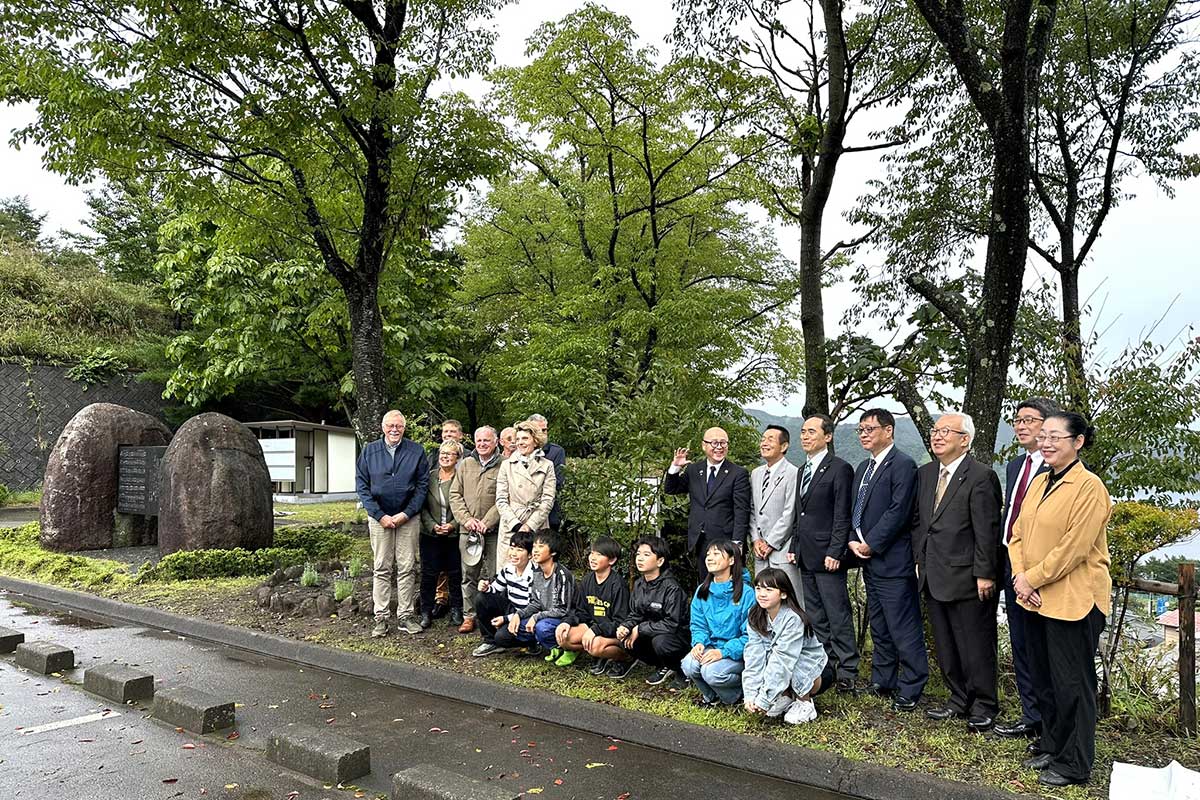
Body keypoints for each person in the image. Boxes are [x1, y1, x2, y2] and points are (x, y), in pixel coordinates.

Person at [1010, 412, 1112, 788]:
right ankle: (1052, 745)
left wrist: (1030, 578)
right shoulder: (1039, 482)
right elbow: (1017, 534)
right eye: (1043, 436)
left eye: (1055, 436)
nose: (1046, 442)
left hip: (1074, 599)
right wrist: (1022, 578)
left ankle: (1075, 762)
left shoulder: (1089, 487)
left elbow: (1074, 549)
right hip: (1034, 597)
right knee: (1045, 680)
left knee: (1073, 683)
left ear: (1078, 442)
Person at [911, 412, 1002, 732]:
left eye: (946, 431)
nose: (937, 436)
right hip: (932, 573)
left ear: (965, 439)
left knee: (975, 643)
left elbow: (987, 530)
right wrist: (918, 558)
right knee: (946, 642)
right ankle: (958, 697)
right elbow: (920, 523)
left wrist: (985, 573)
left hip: (968, 576)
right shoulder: (925, 474)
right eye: (935, 430)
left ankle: (985, 704)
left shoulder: (981, 476)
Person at [846, 408, 927, 711]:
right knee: (879, 624)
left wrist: (871, 543)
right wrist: (853, 540)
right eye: (861, 429)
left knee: (903, 625)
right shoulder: (864, 468)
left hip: (892, 560)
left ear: (888, 430)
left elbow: (899, 511)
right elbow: (856, 509)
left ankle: (912, 685)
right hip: (868, 560)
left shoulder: (902, 464)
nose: (864, 434)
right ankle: (883, 680)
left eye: (870, 428)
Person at [994, 398, 1058, 740]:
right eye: (1017, 420)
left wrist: (1030, 573)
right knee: (1020, 642)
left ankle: (1050, 721)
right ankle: (1030, 715)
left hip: (1040, 571)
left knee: (1042, 646)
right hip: (1010, 561)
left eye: (1029, 420)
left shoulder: (1056, 469)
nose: (1020, 426)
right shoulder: (1016, 465)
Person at [788, 413, 859, 691]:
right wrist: (795, 546)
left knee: (837, 612)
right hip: (806, 553)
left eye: (811, 432)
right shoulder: (801, 470)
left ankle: (848, 669)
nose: (805, 436)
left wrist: (836, 550)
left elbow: (842, 514)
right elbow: (799, 513)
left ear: (827, 436)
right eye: (803, 432)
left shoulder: (839, 468)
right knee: (815, 614)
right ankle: (825, 664)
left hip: (829, 555)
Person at [355, 410, 429, 638]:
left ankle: (405, 615)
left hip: (408, 517)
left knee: (407, 567)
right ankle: (381, 617)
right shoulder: (369, 451)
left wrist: (406, 514)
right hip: (380, 518)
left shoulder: (416, 451)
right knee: (381, 567)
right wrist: (379, 515)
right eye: (390, 426)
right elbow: (362, 485)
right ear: (383, 427)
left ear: (404, 428)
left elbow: (422, 486)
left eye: (399, 426)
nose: (394, 430)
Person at [742, 568, 834, 725]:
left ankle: (805, 702)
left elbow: (783, 659)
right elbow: (753, 656)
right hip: (783, 666)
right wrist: (751, 694)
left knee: (788, 659)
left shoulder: (793, 619)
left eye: (769, 589)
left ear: (783, 594)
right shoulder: (755, 616)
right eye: (758, 588)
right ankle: (786, 696)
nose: (762, 594)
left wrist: (764, 699)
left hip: (815, 670)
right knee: (765, 656)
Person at [663, 427, 751, 578]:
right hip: (700, 540)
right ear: (704, 445)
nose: (719, 447)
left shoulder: (738, 473)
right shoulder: (694, 470)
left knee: (728, 585)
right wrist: (676, 466)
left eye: (723, 443)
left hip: (725, 542)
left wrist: (737, 543)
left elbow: (741, 511)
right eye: (714, 443)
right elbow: (671, 489)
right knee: (705, 584)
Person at [680, 540, 757, 706]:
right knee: (688, 665)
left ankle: (735, 697)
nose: (709, 558)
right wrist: (699, 643)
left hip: (737, 654)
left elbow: (751, 636)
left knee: (711, 672)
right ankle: (712, 698)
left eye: (716, 554)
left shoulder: (747, 593)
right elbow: (698, 625)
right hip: (711, 647)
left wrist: (724, 652)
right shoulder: (702, 590)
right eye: (708, 554)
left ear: (731, 560)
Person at [607, 537, 688, 685]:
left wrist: (641, 628)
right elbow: (636, 613)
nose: (640, 559)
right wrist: (626, 626)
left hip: (676, 638)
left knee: (661, 642)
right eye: (638, 554)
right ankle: (662, 665)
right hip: (652, 633)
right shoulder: (639, 584)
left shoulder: (672, 588)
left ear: (660, 561)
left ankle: (681, 670)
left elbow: (672, 624)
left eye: (646, 554)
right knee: (625, 640)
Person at [450, 425, 502, 634]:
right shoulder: (465, 465)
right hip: (468, 531)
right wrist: (467, 520)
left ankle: (492, 616)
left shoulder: (505, 466)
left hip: (493, 532)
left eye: (486, 441)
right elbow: (455, 495)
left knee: (496, 574)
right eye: (478, 440)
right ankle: (469, 615)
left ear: (495, 442)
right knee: (468, 575)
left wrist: (486, 522)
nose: (482, 444)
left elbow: (504, 498)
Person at [552, 535, 630, 669]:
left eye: (599, 554)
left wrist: (596, 630)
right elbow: (581, 612)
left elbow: (620, 621)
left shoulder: (618, 585)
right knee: (564, 637)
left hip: (614, 633)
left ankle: (625, 658)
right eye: (592, 553)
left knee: (595, 645)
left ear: (612, 560)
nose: (592, 558)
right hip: (594, 628)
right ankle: (601, 656)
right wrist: (567, 622)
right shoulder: (587, 580)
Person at [495, 420, 557, 574]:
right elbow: (501, 499)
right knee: (509, 574)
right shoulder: (506, 465)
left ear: (535, 441)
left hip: (537, 525)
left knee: (537, 575)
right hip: (511, 526)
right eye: (518, 439)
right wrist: (516, 525)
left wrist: (529, 526)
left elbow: (548, 499)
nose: (520, 443)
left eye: (525, 439)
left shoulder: (547, 465)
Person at [749, 425, 802, 596]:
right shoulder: (756, 473)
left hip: (782, 550)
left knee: (790, 598)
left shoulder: (793, 473)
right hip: (760, 552)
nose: (764, 443)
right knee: (763, 598)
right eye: (763, 439)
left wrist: (770, 542)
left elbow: (789, 513)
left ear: (784, 446)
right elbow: (752, 510)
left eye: (770, 439)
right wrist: (756, 539)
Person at [418, 441, 464, 629]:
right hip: (431, 534)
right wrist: (432, 526)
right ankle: (426, 612)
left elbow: (466, 507)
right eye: (442, 453)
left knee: (455, 573)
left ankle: (456, 610)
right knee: (429, 574)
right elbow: (421, 506)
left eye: (450, 454)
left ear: (458, 458)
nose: (445, 456)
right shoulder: (429, 477)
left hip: (454, 534)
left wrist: (452, 526)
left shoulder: (461, 478)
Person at [507, 531, 575, 657]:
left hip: (564, 619)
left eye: (541, 546)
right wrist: (518, 615)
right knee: (516, 627)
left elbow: (562, 610)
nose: (535, 551)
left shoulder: (561, 575)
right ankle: (544, 645)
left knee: (541, 627)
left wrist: (536, 617)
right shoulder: (537, 572)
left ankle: (566, 648)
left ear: (553, 552)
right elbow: (536, 603)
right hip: (546, 616)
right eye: (534, 547)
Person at [471, 531, 535, 657]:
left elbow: (532, 608)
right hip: (512, 608)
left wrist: (505, 619)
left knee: (502, 637)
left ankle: (531, 643)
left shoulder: (534, 575)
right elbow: (495, 589)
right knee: (481, 598)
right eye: (512, 548)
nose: (513, 553)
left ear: (530, 555)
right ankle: (490, 642)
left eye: (519, 549)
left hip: (527, 615)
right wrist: (485, 587)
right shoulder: (508, 569)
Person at [527, 414, 566, 530]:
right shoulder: (520, 453)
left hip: (548, 513)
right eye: (539, 430)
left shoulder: (556, 452)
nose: (543, 433)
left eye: (545, 430)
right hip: (523, 513)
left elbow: (558, 483)